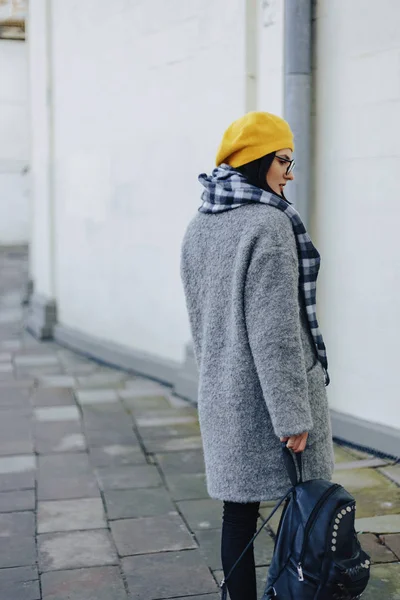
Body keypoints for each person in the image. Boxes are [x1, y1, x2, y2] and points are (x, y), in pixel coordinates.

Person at [180, 112, 334, 600]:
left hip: (224, 391)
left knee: (238, 512)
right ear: (258, 160)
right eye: (283, 160)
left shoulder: (200, 222)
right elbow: (278, 333)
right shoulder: (268, 225)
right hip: (272, 398)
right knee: (305, 508)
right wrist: (292, 415)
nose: (289, 173)